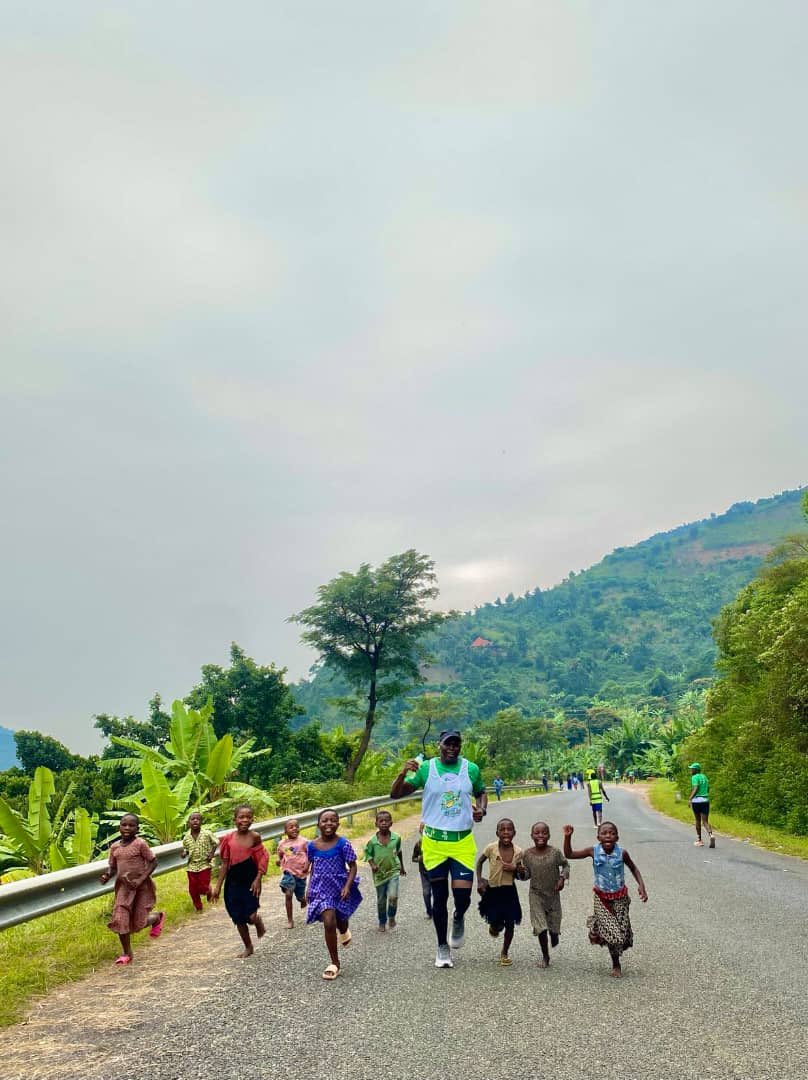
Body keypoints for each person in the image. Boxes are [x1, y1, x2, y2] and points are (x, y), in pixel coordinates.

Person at [390, 729, 487, 968]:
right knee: (440, 897)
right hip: (434, 843)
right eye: (448, 744)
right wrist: (402, 773)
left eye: (456, 744)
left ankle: (459, 916)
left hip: (462, 842)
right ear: (439, 745)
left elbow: (481, 792)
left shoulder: (470, 769)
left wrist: (481, 810)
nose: (452, 748)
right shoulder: (426, 769)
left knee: (463, 897)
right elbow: (395, 794)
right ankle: (442, 947)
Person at [562, 821, 647, 978]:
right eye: (604, 833)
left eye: (612, 833)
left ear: (617, 837)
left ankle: (598, 926)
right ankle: (616, 964)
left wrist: (641, 886)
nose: (608, 836)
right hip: (601, 898)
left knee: (623, 932)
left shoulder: (622, 853)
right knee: (614, 934)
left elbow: (634, 868)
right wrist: (568, 837)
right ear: (598, 837)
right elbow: (569, 854)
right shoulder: (593, 851)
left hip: (620, 898)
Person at [99, 813, 165, 965]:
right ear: (119, 827)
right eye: (124, 825)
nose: (127, 828)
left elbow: (153, 862)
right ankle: (127, 953)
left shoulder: (140, 844)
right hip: (124, 888)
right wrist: (107, 876)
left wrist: (140, 880)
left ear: (137, 829)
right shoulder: (115, 847)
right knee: (120, 918)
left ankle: (156, 918)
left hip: (141, 888)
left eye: (131, 825)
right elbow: (113, 867)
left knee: (138, 923)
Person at [306, 809, 362, 980]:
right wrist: (309, 887)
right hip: (321, 890)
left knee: (340, 919)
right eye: (324, 820)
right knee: (329, 921)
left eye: (332, 820)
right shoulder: (312, 846)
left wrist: (347, 885)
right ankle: (335, 963)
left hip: (339, 888)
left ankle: (344, 929)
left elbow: (352, 866)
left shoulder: (343, 844)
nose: (328, 823)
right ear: (318, 824)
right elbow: (313, 867)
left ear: (338, 823)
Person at [210, 804, 268, 957]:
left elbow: (262, 857)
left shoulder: (254, 837)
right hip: (233, 881)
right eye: (241, 817)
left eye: (248, 817)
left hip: (250, 880)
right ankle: (248, 947)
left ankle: (257, 921)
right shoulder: (228, 839)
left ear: (252, 819)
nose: (245, 820)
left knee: (251, 915)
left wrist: (258, 878)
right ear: (234, 820)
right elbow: (224, 864)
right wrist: (217, 887)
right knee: (237, 916)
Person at [518, 821, 569, 969]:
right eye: (537, 833)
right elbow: (526, 875)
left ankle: (554, 934)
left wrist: (562, 878)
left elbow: (565, 864)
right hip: (536, 894)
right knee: (541, 927)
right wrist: (521, 872)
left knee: (554, 926)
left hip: (553, 894)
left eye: (544, 833)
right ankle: (545, 956)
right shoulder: (527, 855)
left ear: (549, 835)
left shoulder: (555, 853)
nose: (540, 836)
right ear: (531, 835)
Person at [476, 817, 522, 966]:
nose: (506, 832)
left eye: (509, 829)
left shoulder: (519, 852)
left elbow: (522, 873)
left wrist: (516, 869)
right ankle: (494, 926)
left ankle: (504, 952)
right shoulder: (491, 848)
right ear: (497, 833)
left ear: (514, 832)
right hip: (493, 890)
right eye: (502, 830)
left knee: (510, 923)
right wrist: (479, 879)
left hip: (509, 892)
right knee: (496, 922)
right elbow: (479, 862)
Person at [364, 809, 406, 931]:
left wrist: (402, 867)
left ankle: (391, 916)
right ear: (376, 824)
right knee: (381, 900)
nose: (383, 823)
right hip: (379, 875)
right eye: (380, 821)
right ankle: (382, 921)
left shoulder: (396, 838)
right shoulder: (372, 841)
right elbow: (368, 854)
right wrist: (372, 864)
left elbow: (399, 852)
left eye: (386, 821)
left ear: (391, 823)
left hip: (393, 871)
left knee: (393, 896)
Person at [277, 817, 310, 928]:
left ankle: (302, 899)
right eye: (291, 827)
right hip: (289, 872)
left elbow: (310, 855)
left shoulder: (304, 842)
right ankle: (290, 921)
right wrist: (279, 861)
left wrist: (307, 866)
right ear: (285, 831)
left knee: (300, 895)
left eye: (296, 826)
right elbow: (281, 855)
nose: (294, 828)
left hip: (301, 873)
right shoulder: (282, 844)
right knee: (288, 894)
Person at [181, 811, 217, 912]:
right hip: (191, 866)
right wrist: (184, 853)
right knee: (193, 888)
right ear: (189, 822)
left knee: (203, 887)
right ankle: (198, 906)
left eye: (198, 819)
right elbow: (186, 849)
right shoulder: (186, 837)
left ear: (201, 822)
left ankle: (208, 890)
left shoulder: (207, 834)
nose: (195, 821)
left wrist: (211, 854)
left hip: (205, 864)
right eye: (193, 819)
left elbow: (215, 843)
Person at [688, 763, 715, 848]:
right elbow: (708, 788)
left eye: (692, 769)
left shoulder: (694, 777)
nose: (690, 770)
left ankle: (700, 840)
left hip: (697, 801)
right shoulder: (704, 777)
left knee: (697, 820)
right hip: (705, 800)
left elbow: (695, 788)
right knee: (705, 821)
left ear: (696, 770)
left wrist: (690, 799)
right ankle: (711, 835)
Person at [411, 823, 432, 919]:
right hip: (424, 873)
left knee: (438, 894)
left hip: (436, 873)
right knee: (426, 893)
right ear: (420, 832)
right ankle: (429, 912)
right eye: (424, 831)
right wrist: (419, 858)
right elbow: (413, 858)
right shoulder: (418, 844)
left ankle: (437, 910)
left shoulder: (437, 844)